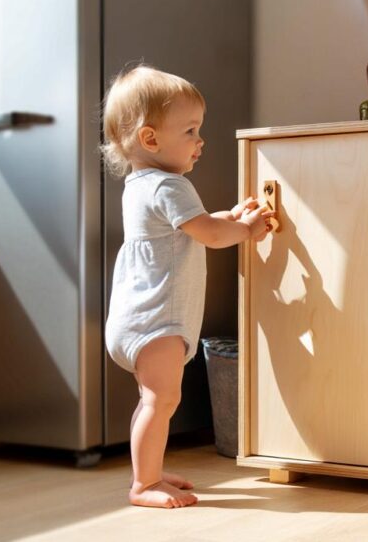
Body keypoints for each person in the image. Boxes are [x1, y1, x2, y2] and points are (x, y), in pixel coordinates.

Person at [101, 65, 272, 508]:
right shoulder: (171, 185)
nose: (201, 140)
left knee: (152, 402)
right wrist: (247, 229)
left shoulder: (141, 185)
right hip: (157, 321)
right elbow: (209, 235)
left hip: (137, 319)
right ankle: (143, 486)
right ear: (150, 138)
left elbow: (193, 227)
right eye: (191, 130)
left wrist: (231, 216)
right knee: (160, 402)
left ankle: (149, 471)